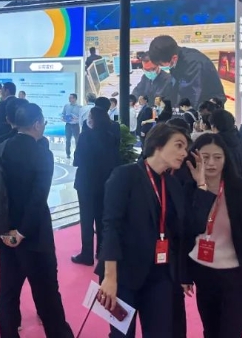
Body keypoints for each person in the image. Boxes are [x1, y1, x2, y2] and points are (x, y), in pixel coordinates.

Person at [97, 123, 214, 338]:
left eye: (185, 147)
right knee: (121, 335)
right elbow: (111, 227)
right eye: (178, 145)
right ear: (158, 145)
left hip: (161, 276)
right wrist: (110, 278)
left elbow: (192, 227)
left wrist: (201, 184)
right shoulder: (125, 175)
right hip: (123, 275)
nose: (184, 153)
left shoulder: (172, 184)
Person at [0, 103, 74, 338]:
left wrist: (6, 229)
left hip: (4, 230)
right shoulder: (42, 153)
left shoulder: (1, 147)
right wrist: (22, 232)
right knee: (47, 293)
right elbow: (38, 198)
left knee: (8, 291)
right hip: (34, 235)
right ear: (37, 124)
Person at [182, 133, 242, 338]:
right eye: (205, 157)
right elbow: (187, 233)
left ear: (226, 159)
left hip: (237, 276)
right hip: (204, 274)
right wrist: (184, 274)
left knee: (231, 332)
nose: (211, 163)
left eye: (217, 157)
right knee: (210, 331)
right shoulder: (189, 190)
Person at [72, 107, 121, 266]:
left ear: (93, 120)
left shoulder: (85, 136)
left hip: (86, 182)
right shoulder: (111, 137)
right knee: (101, 218)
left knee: (86, 219)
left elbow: (77, 160)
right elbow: (116, 161)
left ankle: (86, 254)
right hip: (105, 183)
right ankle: (101, 252)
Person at [148, 35, 225, 109]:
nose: (160, 67)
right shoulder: (175, 58)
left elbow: (191, 97)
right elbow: (175, 87)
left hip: (209, 105)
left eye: (161, 64)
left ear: (174, 58)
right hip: (194, 99)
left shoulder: (194, 65)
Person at [208, 110, 242, 175]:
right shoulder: (238, 136)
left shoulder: (216, 141)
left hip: (224, 177)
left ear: (213, 125)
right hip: (241, 175)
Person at [61, 93, 81, 160]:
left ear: (75, 98)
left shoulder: (80, 107)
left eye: (71, 97)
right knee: (67, 140)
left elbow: (80, 117)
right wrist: (63, 118)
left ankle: (77, 154)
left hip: (75, 125)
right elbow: (63, 114)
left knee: (77, 140)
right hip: (68, 125)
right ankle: (68, 154)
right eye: (69, 98)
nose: (69, 99)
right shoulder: (66, 106)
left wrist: (76, 119)